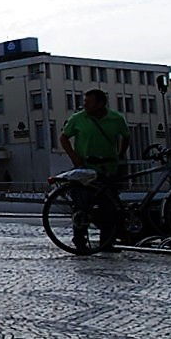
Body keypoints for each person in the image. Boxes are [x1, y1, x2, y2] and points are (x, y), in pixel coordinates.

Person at [59, 89, 130, 246]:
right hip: (85, 167)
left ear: (100, 103)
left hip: (108, 167)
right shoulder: (78, 118)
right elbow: (64, 137)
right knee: (82, 205)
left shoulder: (116, 119)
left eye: (88, 102)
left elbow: (126, 136)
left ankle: (107, 241)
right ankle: (80, 240)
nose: (85, 105)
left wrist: (120, 154)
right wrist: (74, 158)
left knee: (109, 207)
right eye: (84, 102)